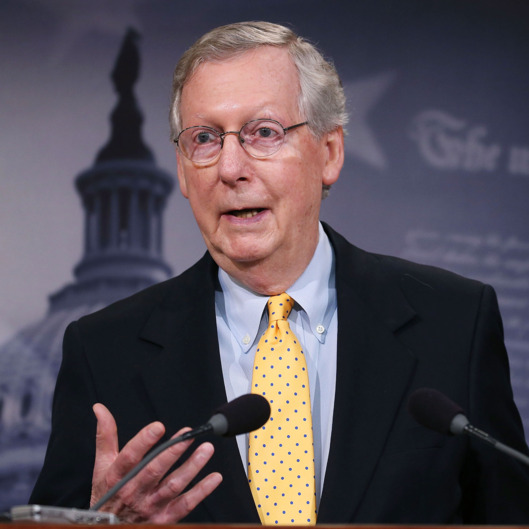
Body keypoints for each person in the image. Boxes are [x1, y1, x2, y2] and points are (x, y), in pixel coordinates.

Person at [30, 21, 529, 524]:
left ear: (329, 152)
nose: (230, 168)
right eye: (204, 139)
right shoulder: (103, 352)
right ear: (182, 170)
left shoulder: (454, 323)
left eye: (263, 133)